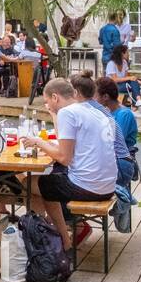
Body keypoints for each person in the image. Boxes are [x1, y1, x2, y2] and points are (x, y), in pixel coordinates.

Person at [20, 78, 118, 252]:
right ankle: (51, 233)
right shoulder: (94, 110)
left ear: (55, 97)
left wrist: (38, 142)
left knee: (30, 184)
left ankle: (57, 240)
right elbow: (70, 148)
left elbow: (64, 158)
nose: (47, 105)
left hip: (89, 186)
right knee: (47, 185)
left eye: (47, 101)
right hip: (108, 185)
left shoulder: (68, 112)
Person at [78, 76, 135, 189]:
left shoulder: (124, 114)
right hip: (109, 159)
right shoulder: (107, 112)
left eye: (94, 95)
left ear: (105, 97)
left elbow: (113, 141)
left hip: (119, 161)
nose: (92, 99)